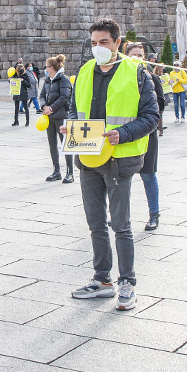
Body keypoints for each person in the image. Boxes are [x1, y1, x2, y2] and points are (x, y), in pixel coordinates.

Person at [64, 19, 160, 311]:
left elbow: (151, 116)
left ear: (118, 43)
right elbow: (73, 108)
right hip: (88, 156)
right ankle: (102, 280)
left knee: (121, 226)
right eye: (93, 43)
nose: (98, 48)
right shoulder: (83, 72)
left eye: (103, 42)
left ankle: (128, 282)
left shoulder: (137, 72)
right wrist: (68, 126)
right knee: (96, 225)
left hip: (120, 158)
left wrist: (124, 133)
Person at [127, 43, 164, 231]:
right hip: (125, 135)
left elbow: (161, 105)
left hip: (147, 135)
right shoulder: (122, 79)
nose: (137, 58)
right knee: (122, 176)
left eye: (140, 55)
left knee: (148, 175)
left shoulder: (152, 77)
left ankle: (154, 214)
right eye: (133, 55)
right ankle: (120, 213)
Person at [41, 54, 74, 183]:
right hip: (48, 117)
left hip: (61, 116)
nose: (45, 69)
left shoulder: (63, 80)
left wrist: (52, 108)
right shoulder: (47, 80)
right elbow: (42, 95)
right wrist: (44, 106)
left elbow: (64, 97)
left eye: (47, 66)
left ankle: (70, 173)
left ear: (52, 67)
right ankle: (56, 171)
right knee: (52, 144)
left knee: (65, 144)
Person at [11, 62, 32, 127]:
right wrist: (10, 81)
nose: (21, 70)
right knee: (16, 108)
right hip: (16, 92)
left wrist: (23, 81)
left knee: (25, 107)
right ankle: (16, 121)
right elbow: (12, 84)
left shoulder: (26, 75)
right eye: (20, 68)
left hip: (23, 93)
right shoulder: (15, 75)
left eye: (22, 68)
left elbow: (29, 85)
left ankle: (27, 121)